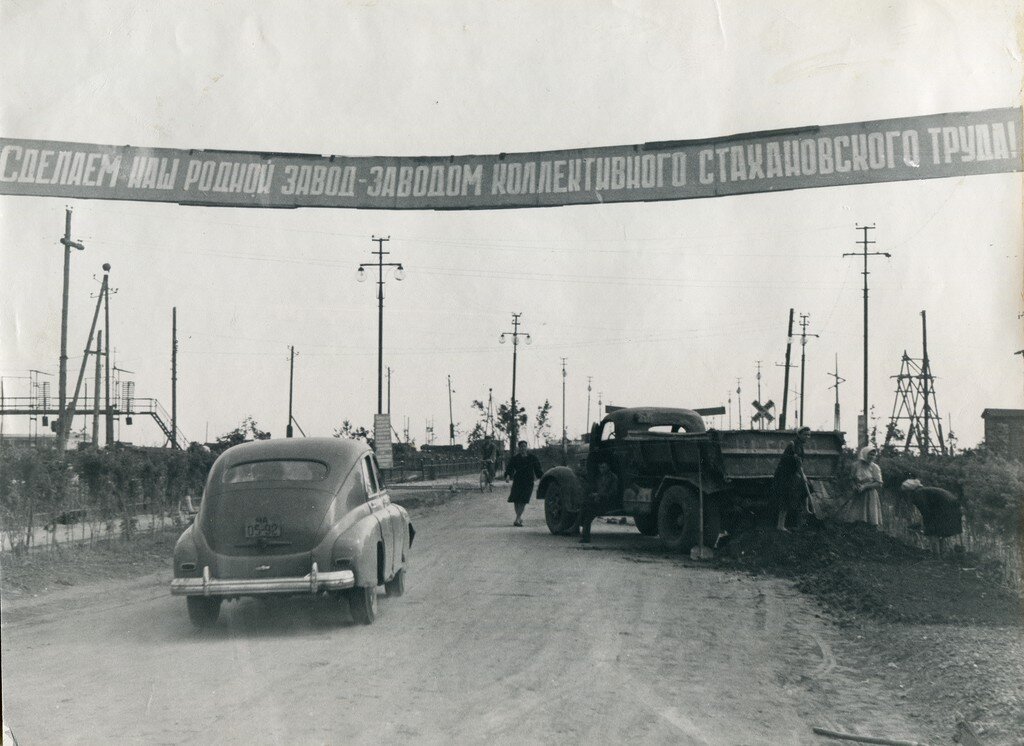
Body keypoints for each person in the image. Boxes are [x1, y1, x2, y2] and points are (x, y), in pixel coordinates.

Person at [900, 478, 962, 555]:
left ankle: (936, 556)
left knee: (932, 532)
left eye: (906, 492)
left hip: (946, 509)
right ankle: (941, 554)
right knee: (940, 532)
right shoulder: (923, 491)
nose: (906, 495)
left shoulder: (918, 494)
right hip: (952, 507)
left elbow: (925, 511)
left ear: (909, 490)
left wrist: (925, 525)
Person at [772, 426, 812, 531]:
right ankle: (780, 525)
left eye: (809, 435)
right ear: (799, 434)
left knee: (806, 487)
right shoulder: (794, 445)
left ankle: (806, 510)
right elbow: (796, 463)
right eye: (805, 434)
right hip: (784, 475)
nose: (807, 437)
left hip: (792, 473)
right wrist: (802, 475)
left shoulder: (800, 445)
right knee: (785, 498)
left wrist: (803, 476)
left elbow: (799, 464)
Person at [579, 458, 620, 543]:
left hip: (607, 502)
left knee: (587, 513)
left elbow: (613, 493)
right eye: (600, 467)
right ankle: (582, 531)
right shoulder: (599, 477)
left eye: (604, 467)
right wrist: (593, 495)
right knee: (584, 506)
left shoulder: (613, 478)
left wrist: (599, 495)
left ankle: (584, 535)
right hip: (598, 501)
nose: (601, 469)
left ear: (608, 467)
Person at [504, 440, 543, 527]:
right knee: (516, 500)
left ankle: (517, 518)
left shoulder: (532, 458)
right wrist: (507, 476)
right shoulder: (515, 458)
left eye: (524, 446)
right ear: (519, 448)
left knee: (523, 500)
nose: (523, 448)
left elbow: (538, 469)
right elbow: (510, 468)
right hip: (518, 480)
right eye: (521, 447)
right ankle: (518, 517)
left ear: (527, 447)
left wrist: (541, 478)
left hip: (528, 481)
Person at [850, 446, 883, 528]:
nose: (871, 457)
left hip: (870, 494)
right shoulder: (855, 465)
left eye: (873, 455)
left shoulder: (875, 467)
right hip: (858, 494)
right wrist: (854, 486)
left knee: (870, 518)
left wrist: (865, 486)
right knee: (856, 518)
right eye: (870, 454)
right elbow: (851, 479)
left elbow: (879, 483)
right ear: (864, 454)